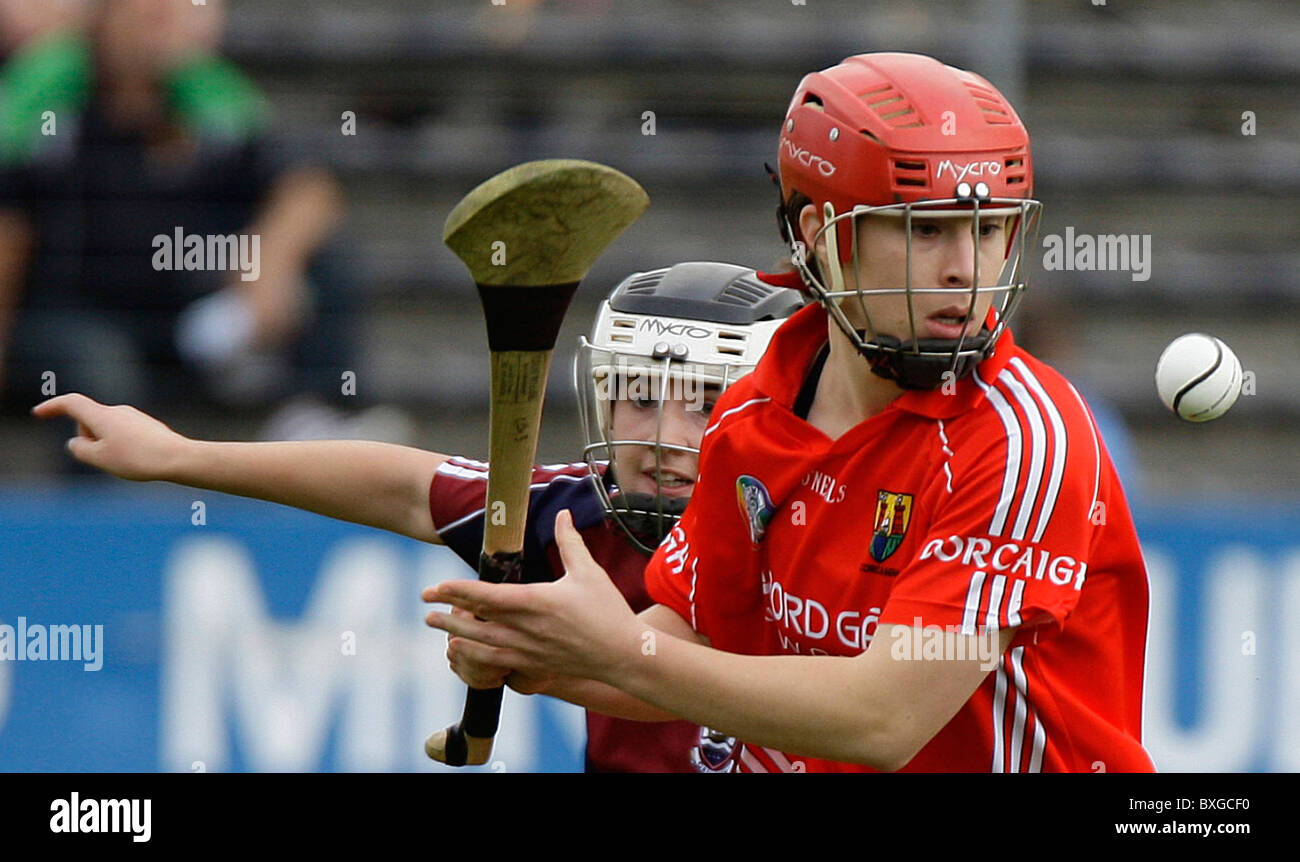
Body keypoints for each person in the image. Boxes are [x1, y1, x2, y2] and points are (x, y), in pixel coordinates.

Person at [424, 52, 1157, 773]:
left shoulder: (1023, 439)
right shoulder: (750, 415)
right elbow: (695, 641)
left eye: (989, 229)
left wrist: (618, 650)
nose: (966, 268)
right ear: (819, 233)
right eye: (926, 229)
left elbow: (883, 719)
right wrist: (535, 654)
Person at [33, 260, 803, 773]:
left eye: (704, 405)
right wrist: (180, 456)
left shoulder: (816, 528)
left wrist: (537, 662)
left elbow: (703, 675)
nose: (664, 438)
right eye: (640, 396)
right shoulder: (571, 513)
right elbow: (400, 484)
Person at [0, 0, 350, 422]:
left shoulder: (206, 90)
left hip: (180, 311)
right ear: (104, 20)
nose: (167, 33)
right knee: (99, 379)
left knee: (325, 263)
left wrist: (266, 267)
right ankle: (102, 486)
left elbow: (307, 186)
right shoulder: (47, 93)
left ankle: (321, 421)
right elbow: (9, 223)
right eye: (151, 18)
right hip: (71, 312)